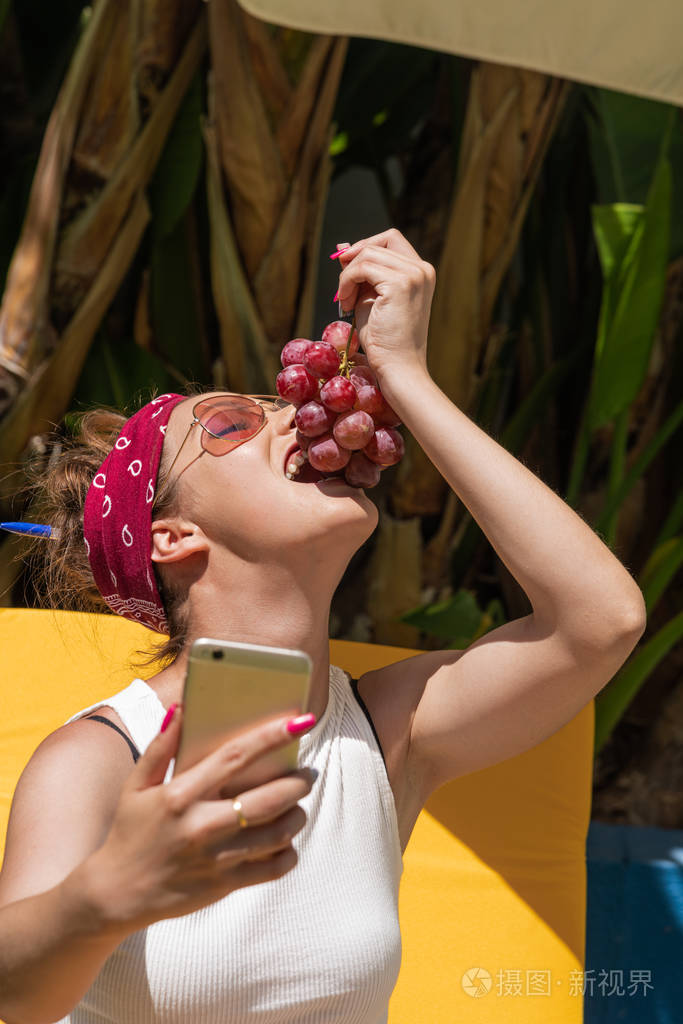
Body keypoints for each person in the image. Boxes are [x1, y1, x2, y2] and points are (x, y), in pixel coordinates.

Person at [0, 229, 646, 1024]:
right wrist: (104, 897)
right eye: (233, 425)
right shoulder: (104, 753)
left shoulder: (385, 735)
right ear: (171, 537)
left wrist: (407, 377)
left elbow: (600, 621)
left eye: (282, 402)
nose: (292, 419)